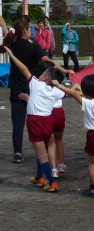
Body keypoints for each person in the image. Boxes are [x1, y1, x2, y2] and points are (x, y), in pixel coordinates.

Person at [4, 19, 70, 163]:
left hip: (16, 89)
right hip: (33, 90)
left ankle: (17, 152)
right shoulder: (34, 47)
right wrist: (63, 69)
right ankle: (46, 148)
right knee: (42, 118)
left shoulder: (12, 44)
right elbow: (47, 59)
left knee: (17, 123)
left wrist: (2, 22)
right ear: (26, 31)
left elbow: (6, 32)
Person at [3, 47, 65, 192]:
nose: (42, 73)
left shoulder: (35, 84)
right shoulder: (57, 91)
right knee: (41, 150)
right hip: (47, 121)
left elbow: (23, 69)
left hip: (35, 122)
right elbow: (71, 91)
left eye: (44, 72)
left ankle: (52, 182)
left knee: (42, 155)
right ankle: (39, 177)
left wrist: (12, 54)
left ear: (46, 78)